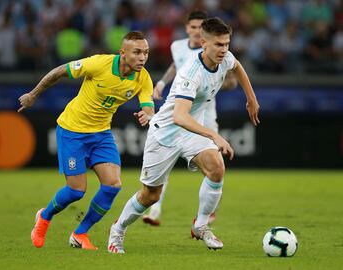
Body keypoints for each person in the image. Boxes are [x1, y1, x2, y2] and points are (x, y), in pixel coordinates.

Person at [107, 18, 260, 253]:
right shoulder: (191, 72)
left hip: (189, 132)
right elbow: (179, 116)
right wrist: (215, 136)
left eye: (227, 44)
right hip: (165, 134)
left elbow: (237, 66)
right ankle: (117, 230)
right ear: (203, 43)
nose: (224, 49)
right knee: (151, 195)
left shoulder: (225, 58)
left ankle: (201, 226)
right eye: (218, 44)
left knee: (216, 167)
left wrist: (251, 98)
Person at [18, 31, 154, 250]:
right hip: (72, 130)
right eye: (137, 52)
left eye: (145, 52)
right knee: (76, 191)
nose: (142, 57)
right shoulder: (99, 63)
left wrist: (148, 113)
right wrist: (33, 94)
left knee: (112, 185)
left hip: (101, 134)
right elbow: (60, 71)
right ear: (123, 53)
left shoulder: (143, 77)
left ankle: (80, 233)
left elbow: (147, 103)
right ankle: (44, 216)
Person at [143, 10, 237, 226]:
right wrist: (161, 83)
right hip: (181, 113)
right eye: (192, 27)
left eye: (200, 28)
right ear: (187, 29)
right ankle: (155, 210)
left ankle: (205, 214)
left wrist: (209, 81)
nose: (196, 31)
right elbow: (175, 67)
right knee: (163, 163)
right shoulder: (177, 47)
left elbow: (231, 82)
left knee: (214, 166)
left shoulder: (220, 54)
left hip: (206, 115)